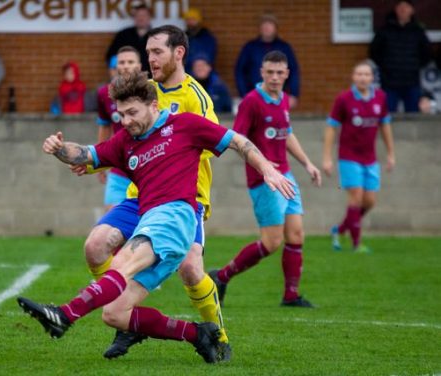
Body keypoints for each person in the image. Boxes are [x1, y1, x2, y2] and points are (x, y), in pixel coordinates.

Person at [18, 70, 295, 364]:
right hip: (151, 219)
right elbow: (86, 154)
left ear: (153, 105)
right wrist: (59, 149)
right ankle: (198, 334)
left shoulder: (184, 125)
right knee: (114, 314)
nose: (126, 121)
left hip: (175, 216)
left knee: (123, 262)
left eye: (132, 113)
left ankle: (64, 315)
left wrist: (267, 169)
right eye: (121, 114)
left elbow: (239, 141)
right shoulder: (125, 140)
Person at [80, 25, 231, 361]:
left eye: (157, 51)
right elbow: (124, 140)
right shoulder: (145, 92)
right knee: (95, 246)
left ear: (179, 53)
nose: (150, 58)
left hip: (183, 197)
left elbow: (210, 142)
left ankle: (218, 337)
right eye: (147, 52)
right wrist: (92, 160)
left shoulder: (196, 97)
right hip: (141, 195)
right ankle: (125, 320)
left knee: (191, 269)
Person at [210, 50, 321, 308]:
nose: (274, 77)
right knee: (272, 242)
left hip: (287, 176)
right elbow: (236, 140)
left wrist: (307, 163)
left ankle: (290, 295)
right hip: (265, 181)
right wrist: (261, 166)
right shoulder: (251, 101)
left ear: (286, 74)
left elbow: (287, 134)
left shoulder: (283, 99)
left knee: (296, 236)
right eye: (269, 72)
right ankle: (221, 276)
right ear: (261, 72)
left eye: (279, 72)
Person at [325, 61, 395, 252]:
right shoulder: (344, 99)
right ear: (353, 77)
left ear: (372, 78)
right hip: (348, 156)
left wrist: (390, 153)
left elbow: (385, 126)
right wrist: (327, 157)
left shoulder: (380, 98)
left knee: (369, 201)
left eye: (366, 74)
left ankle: (339, 230)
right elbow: (332, 127)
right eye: (359, 74)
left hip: (370, 158)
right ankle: (357, 244)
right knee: (356, 197)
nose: (363, 78)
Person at [96, 47, 141, 210]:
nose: (126, 66)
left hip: (146, 167)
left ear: (139, 66)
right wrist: (100, 161)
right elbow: (104, 126)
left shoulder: (151, 92)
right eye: (122, 62)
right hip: (119, 170)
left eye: (130, 62)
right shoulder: (104, 94)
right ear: (116, 67)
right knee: (111, 222)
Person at [370, 0, 432, 113]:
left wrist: (414, 66)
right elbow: (374, 52)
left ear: (412, 10)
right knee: (388, 116)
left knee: (413, 116)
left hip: (411, 81)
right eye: (400, 6)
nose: (403, 9)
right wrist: (387, 66)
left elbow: (427, 53)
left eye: (406, 7)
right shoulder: (385, 30)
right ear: (396, 9)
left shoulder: (418, 31)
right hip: (389, 82)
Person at [235, 14, 300, 108]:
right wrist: (243, 93)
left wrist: (294, 94)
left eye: (270, 24)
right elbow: (239, 71)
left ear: (275, 27)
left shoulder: (284, 48)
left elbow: (294, 71)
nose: (266, 27)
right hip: (255, 95)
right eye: (264, 24)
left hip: (278, 95)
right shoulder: (250, 47)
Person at [106, 3, 152, 74]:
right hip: (126, 79)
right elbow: (112, 55)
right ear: (134, 18)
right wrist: (114, 70)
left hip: (151, 79)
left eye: (144, 15)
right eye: (138, 15)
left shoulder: (156, 36)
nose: (141, 18)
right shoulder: (123, 35)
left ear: (149, 17)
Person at [183, 8, 218, 76]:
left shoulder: (207, 38)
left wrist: (198, 64)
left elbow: (210, 56)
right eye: (188, 20)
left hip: (204, 74)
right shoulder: (182, 38)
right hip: (186, 73)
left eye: (193, 19)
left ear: (199, 21)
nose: (190, 22)